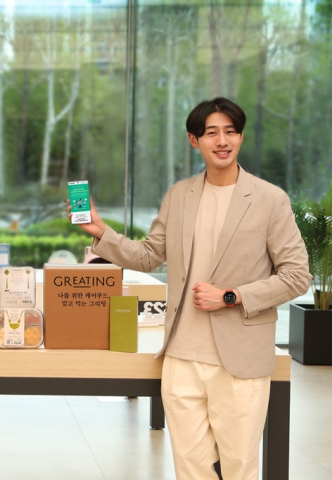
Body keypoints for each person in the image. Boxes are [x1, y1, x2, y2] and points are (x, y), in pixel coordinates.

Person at [68, 97, 311, 480]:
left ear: (241, 137)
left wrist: (231, 296)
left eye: (230, 132)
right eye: (211, 132)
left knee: (239, 467)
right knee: (191, 469)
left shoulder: (269, 199)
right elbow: (149, 255)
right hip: (181, 357)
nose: (222, 141)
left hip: (240, 360)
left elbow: (297, 275)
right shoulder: (180, 195)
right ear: (194, 140)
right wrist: (101, 231)